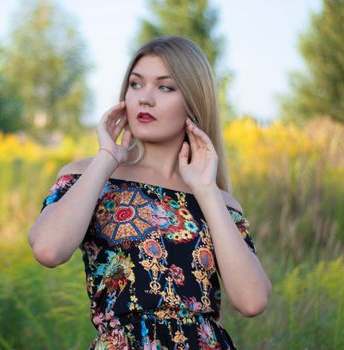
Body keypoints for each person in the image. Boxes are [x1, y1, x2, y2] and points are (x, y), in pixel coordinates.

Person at [28, 36, 271, 350]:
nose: (145, 99)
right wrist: (107, 157)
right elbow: (48, 250)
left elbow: (252, 301)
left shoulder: (217, 200)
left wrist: (207, 190)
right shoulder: (88, 176)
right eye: (136, 84)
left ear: (194, 101)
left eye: (165, 87)